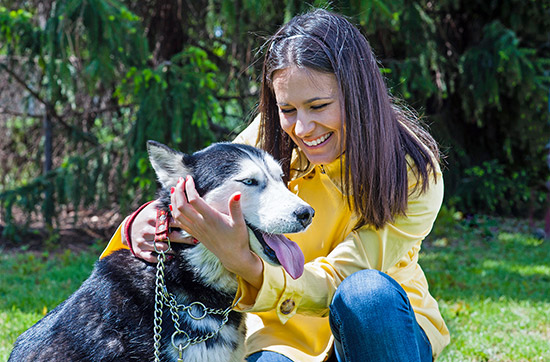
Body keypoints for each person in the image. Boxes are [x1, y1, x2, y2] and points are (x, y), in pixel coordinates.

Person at [101, 9, 450, 362]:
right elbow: (211, 185)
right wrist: (151, 220)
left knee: (365, 292)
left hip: (377, 327)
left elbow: (337, 281)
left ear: (358, 94)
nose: (302, 128)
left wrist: (245, 264)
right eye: (288, 110)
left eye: (319, 106)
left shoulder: (414, 174)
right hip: (282, 336)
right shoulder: (267, 135)